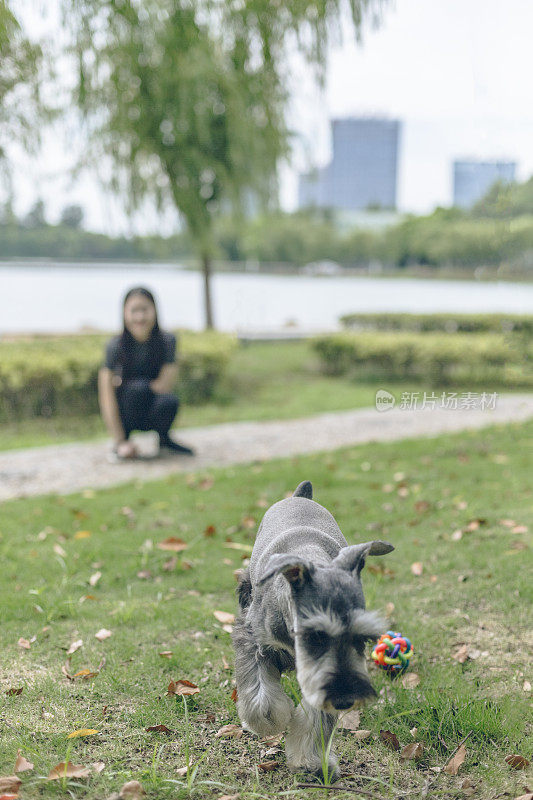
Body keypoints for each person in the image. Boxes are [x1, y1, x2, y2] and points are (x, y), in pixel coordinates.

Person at [98, 286, 194, 461]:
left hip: (151, 406)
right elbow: (106, 395)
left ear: (155, 311)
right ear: (124, 313)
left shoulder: (167, 341)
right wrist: (119, 441)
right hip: (127, 410)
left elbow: (165, 385)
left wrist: (131, 384)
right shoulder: (114, 346)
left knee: (168, 400)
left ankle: (164, 440)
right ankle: (123, 442)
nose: (140, 317)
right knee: (135, 391)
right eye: (134, 311)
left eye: (145, 310)